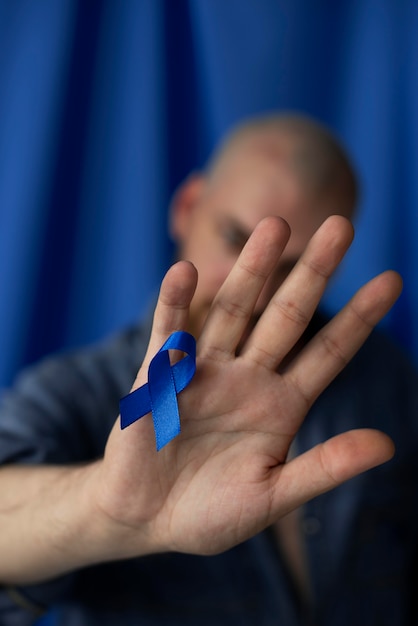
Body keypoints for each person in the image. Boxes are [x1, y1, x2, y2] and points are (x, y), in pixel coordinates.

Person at [0, 113, 416, 626]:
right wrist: (105, 508)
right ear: (187, 207)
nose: (259, 289)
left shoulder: (383, 377)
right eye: (235, 238)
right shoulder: (83, 391)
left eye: (291, 267)